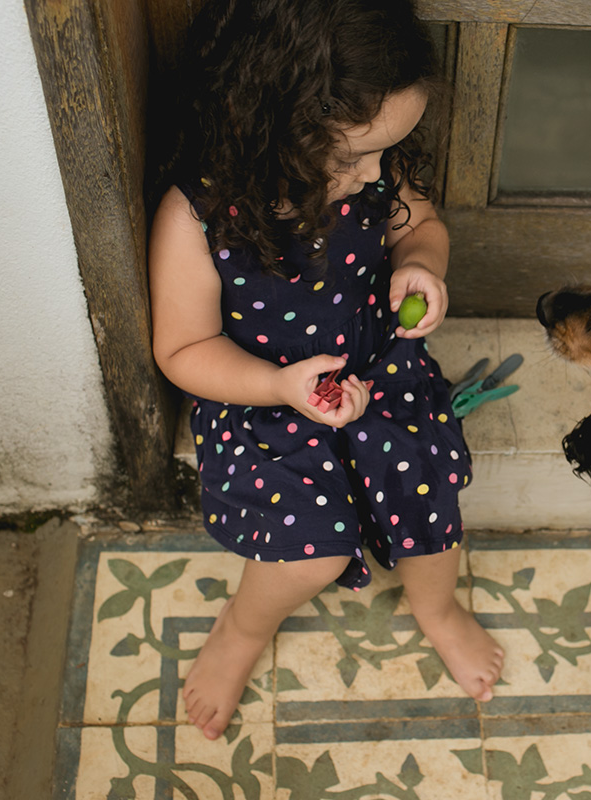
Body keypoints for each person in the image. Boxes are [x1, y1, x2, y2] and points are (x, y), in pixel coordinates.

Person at [147, 0, 504, 741]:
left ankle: (437, 607)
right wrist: (278, 386)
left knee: (427, 486)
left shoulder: (375, 173)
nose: (376, 173)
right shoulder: (199, 217)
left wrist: (419, 269)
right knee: (310, 552)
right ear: (266, 124)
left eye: (386, 152)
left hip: (377, 362)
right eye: (352, 157)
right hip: (261, 392)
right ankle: (241, 632)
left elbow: (424, 226)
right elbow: (183, 350)